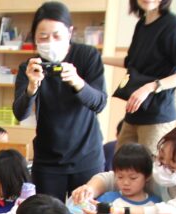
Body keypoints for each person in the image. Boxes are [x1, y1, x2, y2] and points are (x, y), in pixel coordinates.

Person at [12, 2, 108, 200]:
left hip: (86, 156)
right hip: (47, 160)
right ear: (34, 37)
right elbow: (20, 114)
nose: (50, 41)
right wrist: (31, 87)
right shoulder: (29, 67)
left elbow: (99, 103)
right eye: (43, 36)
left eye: (57, 35)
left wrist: (78, 82)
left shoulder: (87, 56)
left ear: (70, 32)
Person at [104, 0, 176, 156]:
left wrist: (150, 87)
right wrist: (97, 58)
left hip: (158, 115)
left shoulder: (174, 26)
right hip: (134, 112)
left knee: (150, 168)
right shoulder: (141, 25)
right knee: (121, 164)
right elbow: (130, 62)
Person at [95, 143, 162, 211]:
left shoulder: (156, 204)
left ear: (147, 176)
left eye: (133, 178)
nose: (126, 183)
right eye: (120, 177)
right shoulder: (107, 199)